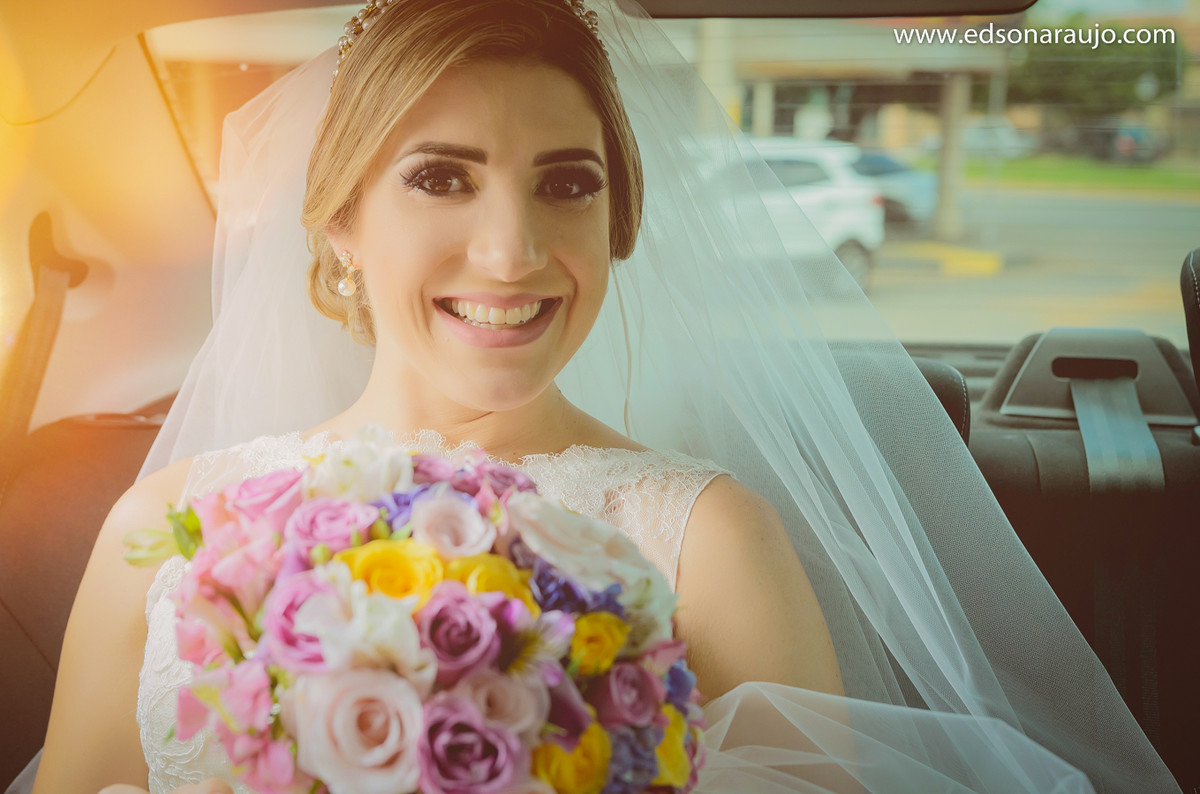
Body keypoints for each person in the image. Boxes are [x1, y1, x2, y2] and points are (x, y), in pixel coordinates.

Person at [23, 0, 1179, 792]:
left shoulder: (705, 538)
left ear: (617, 223)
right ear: (340, 224)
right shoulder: (165, 532)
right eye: (440, 177)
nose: (514, 249)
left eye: (566, 185)